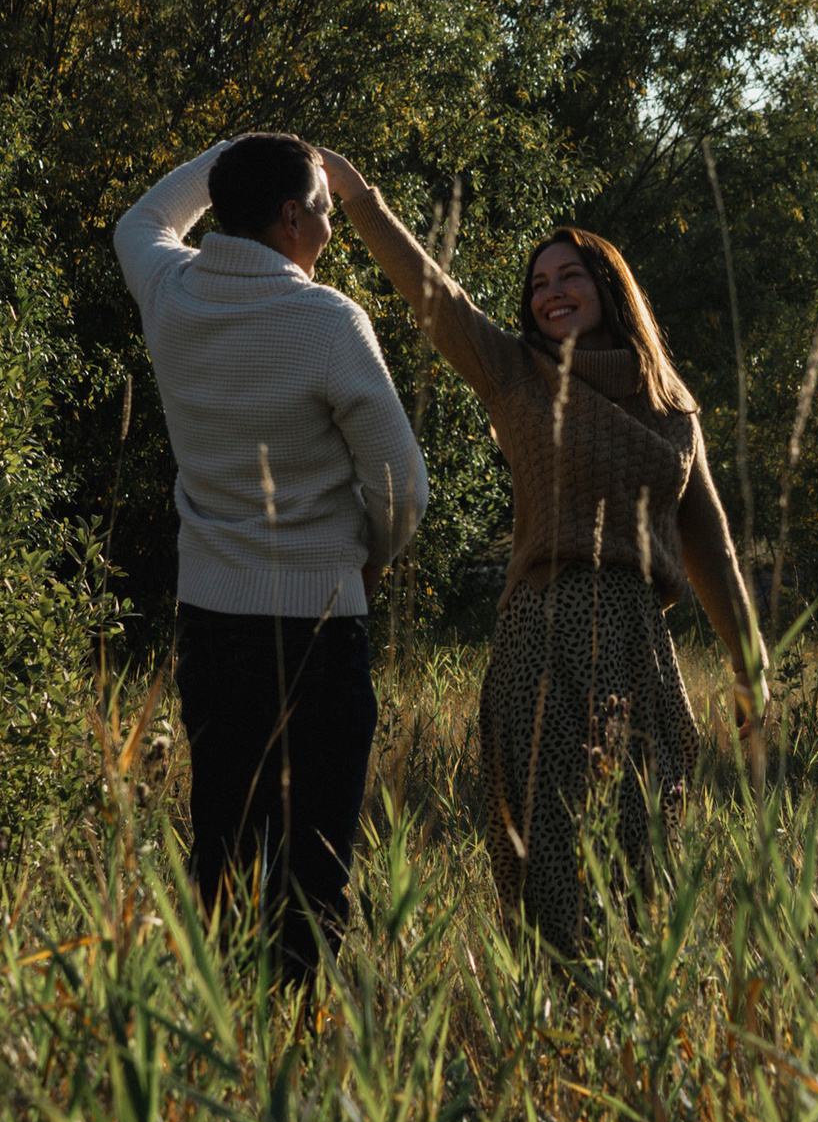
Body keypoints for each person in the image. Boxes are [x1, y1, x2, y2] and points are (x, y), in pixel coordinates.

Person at [318, 152, 764, 956]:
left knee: (642, 856)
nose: (550, 292)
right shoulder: (515, 374)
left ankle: (628, 1030)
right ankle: (555, 1019)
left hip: (641, 649)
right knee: (551, 853)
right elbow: (434, 295)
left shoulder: (673, 408)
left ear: (609, 287)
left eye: (569, 277)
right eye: (538, 283)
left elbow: (714, 551)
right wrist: (359, 197)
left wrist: (750, 667)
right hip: (544, 637)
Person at [113, 133, 427, 979]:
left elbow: (142, 218)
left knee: (226, 854)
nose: (329, 229)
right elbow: (403, 488)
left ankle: (230, 1041)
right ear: (290, 217)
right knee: (315, 866)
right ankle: (297, 1047)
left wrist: (226, 153)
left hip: (213, 625)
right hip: (321, 631)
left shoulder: (171, 292)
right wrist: (369, 557)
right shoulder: (329, 322)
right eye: (324, 212)